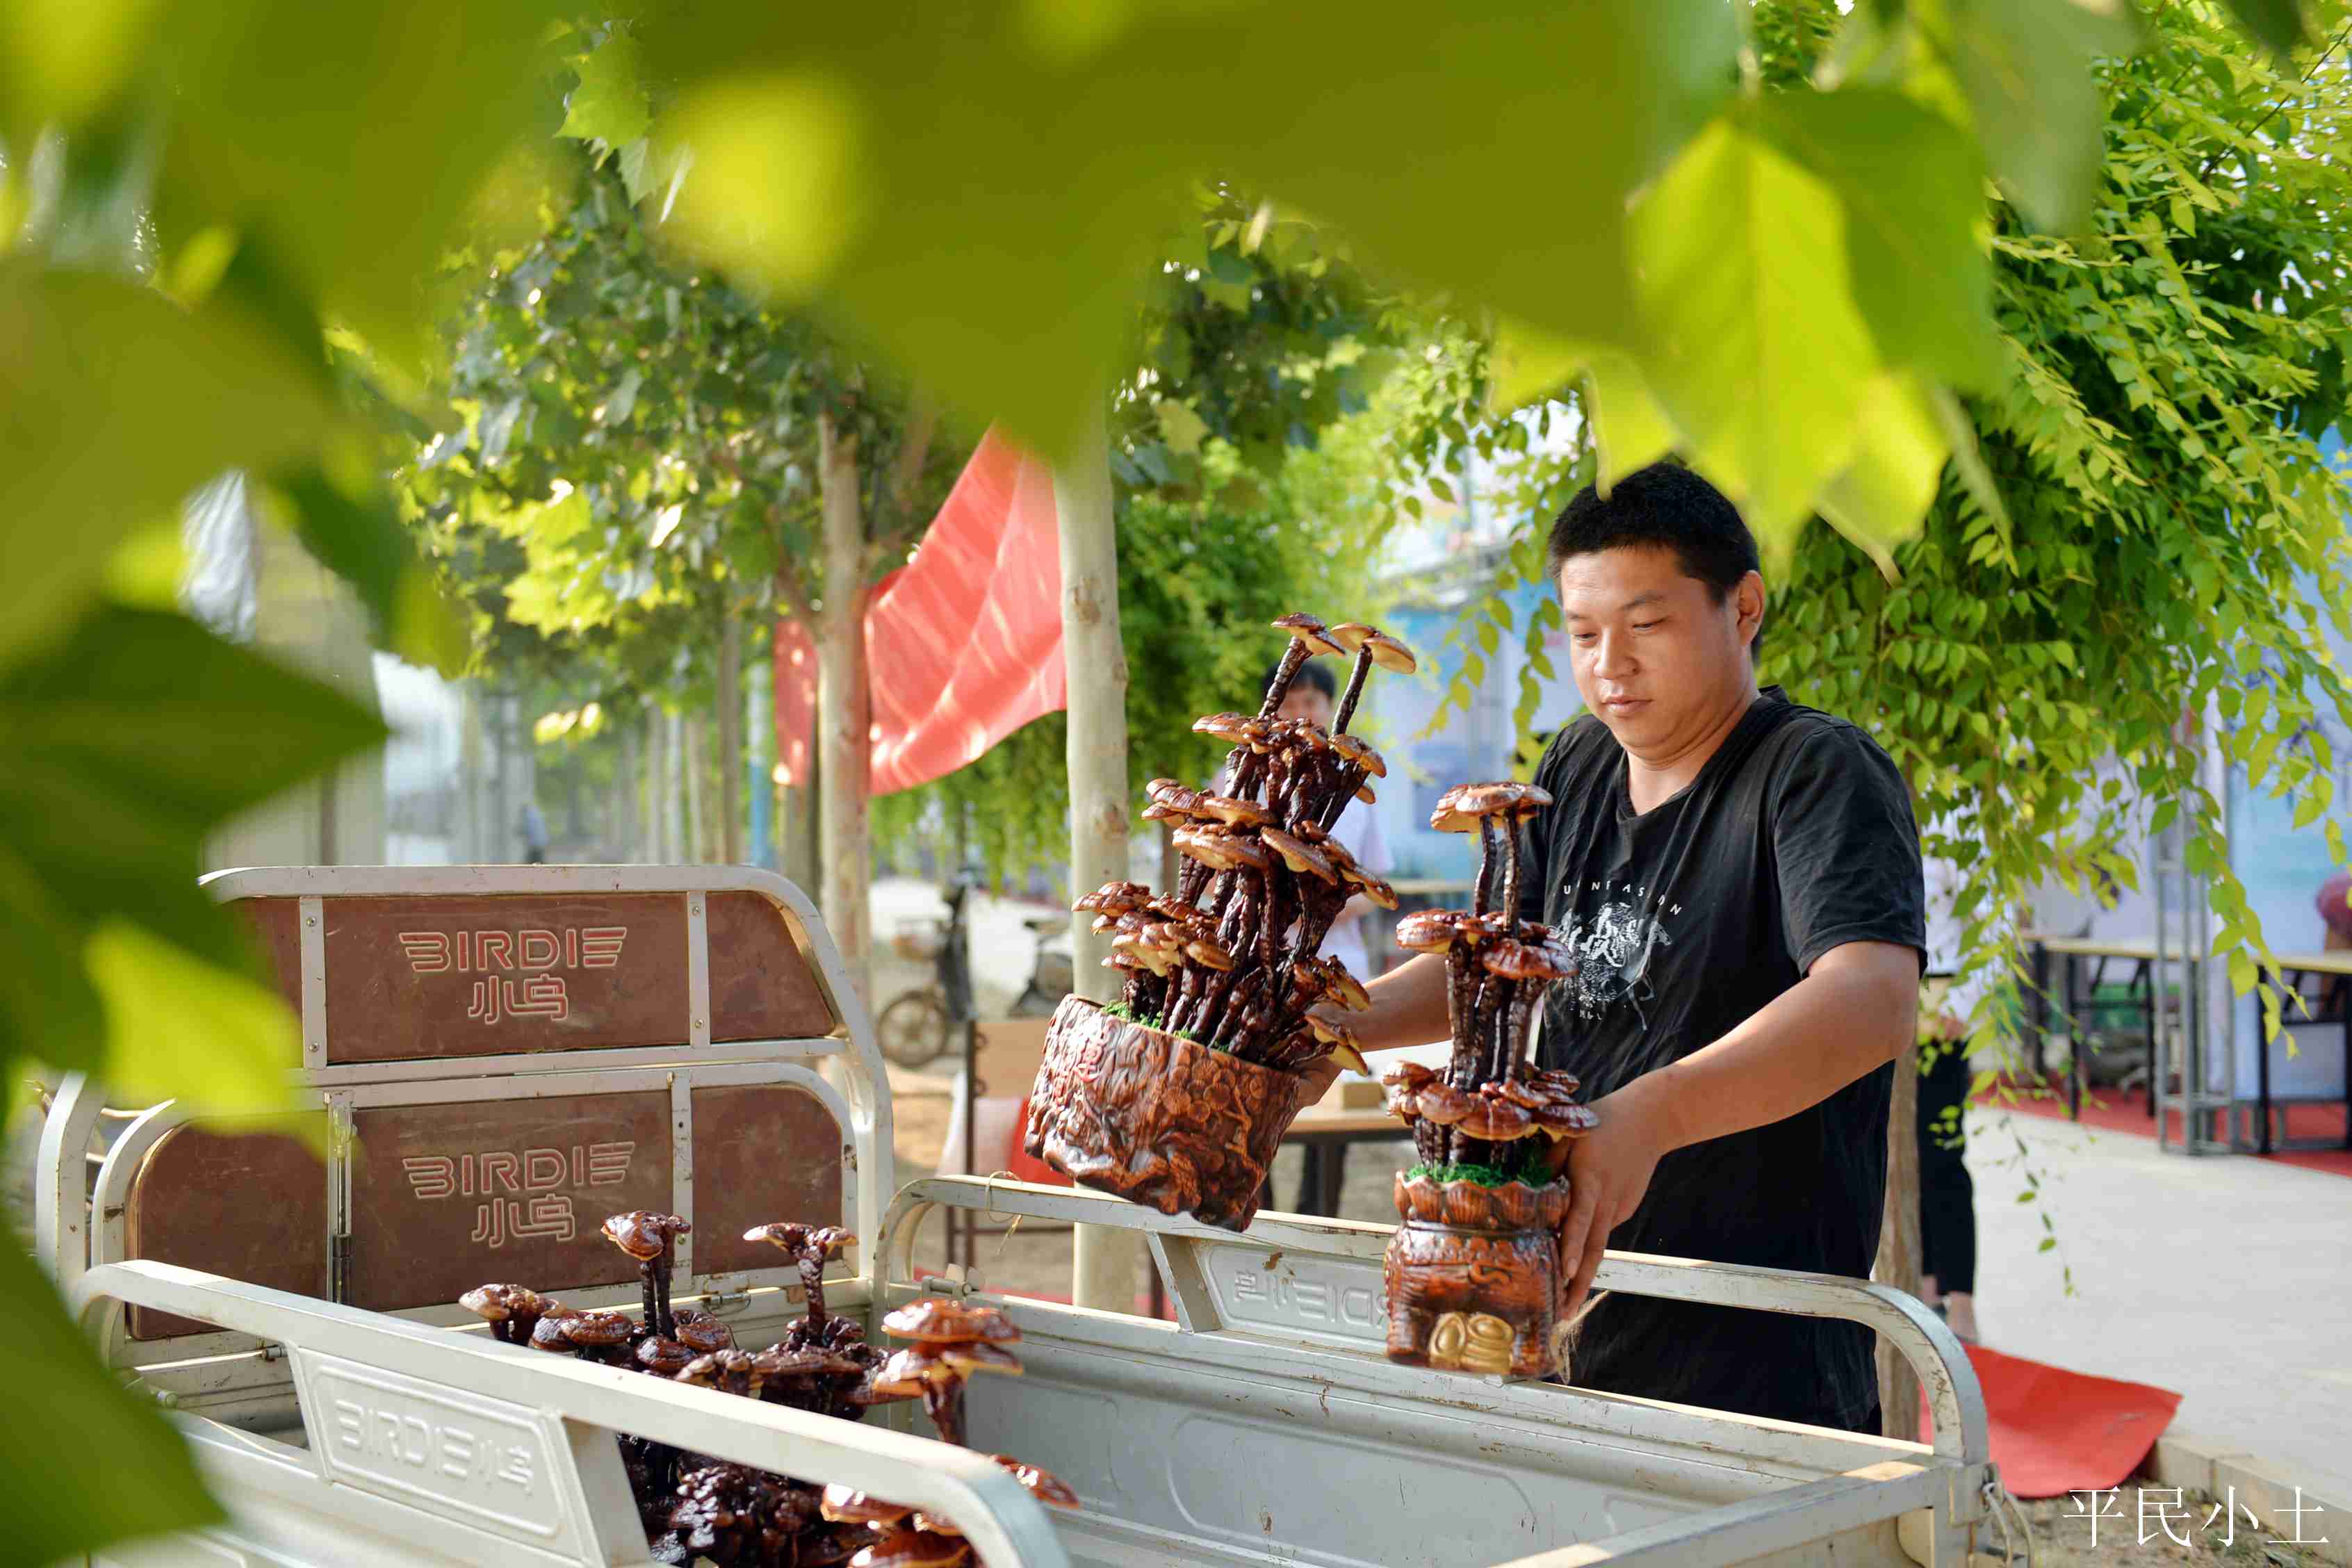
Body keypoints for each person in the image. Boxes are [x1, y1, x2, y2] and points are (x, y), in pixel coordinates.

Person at [1308, 462, 1924, 1435]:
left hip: (1752, 1348)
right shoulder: (1579, 762)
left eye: (1647, 627)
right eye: (1584, 635)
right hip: (1560, 1310)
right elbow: (1491, 961)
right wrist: (1337, 1024)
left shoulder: (1812, 772)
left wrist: (1652, 1115)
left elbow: (1873, 1000)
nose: (1609, 666)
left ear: (1745, 608)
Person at [1262, 659, 1394, 981]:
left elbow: (1376, 885)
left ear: (1330, 707)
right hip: (1256, 957)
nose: (1298, 714)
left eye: (1310, 702)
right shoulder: (1241, 780)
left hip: (1338, 965)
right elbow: (1213, 866)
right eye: (1287, 703)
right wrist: (1270, 906)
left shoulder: (1354, 789)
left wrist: (1316, 910)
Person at [1917, 853, 1988, 1344]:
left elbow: (1996, 922)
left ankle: (1960, 1298)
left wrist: (1963, 1003)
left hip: (1941, 1001)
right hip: (1881, 991)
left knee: (1943, 1155)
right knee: (1897, 1155)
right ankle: (1920, 1290)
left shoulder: (1961, 808)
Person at [519, 800, 549, 865]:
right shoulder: (537, 814)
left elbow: (530, 830)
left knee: (534, 862)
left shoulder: (530, 817)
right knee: (538, 861)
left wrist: (521, 832)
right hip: (541, 842)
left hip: (535, 844)